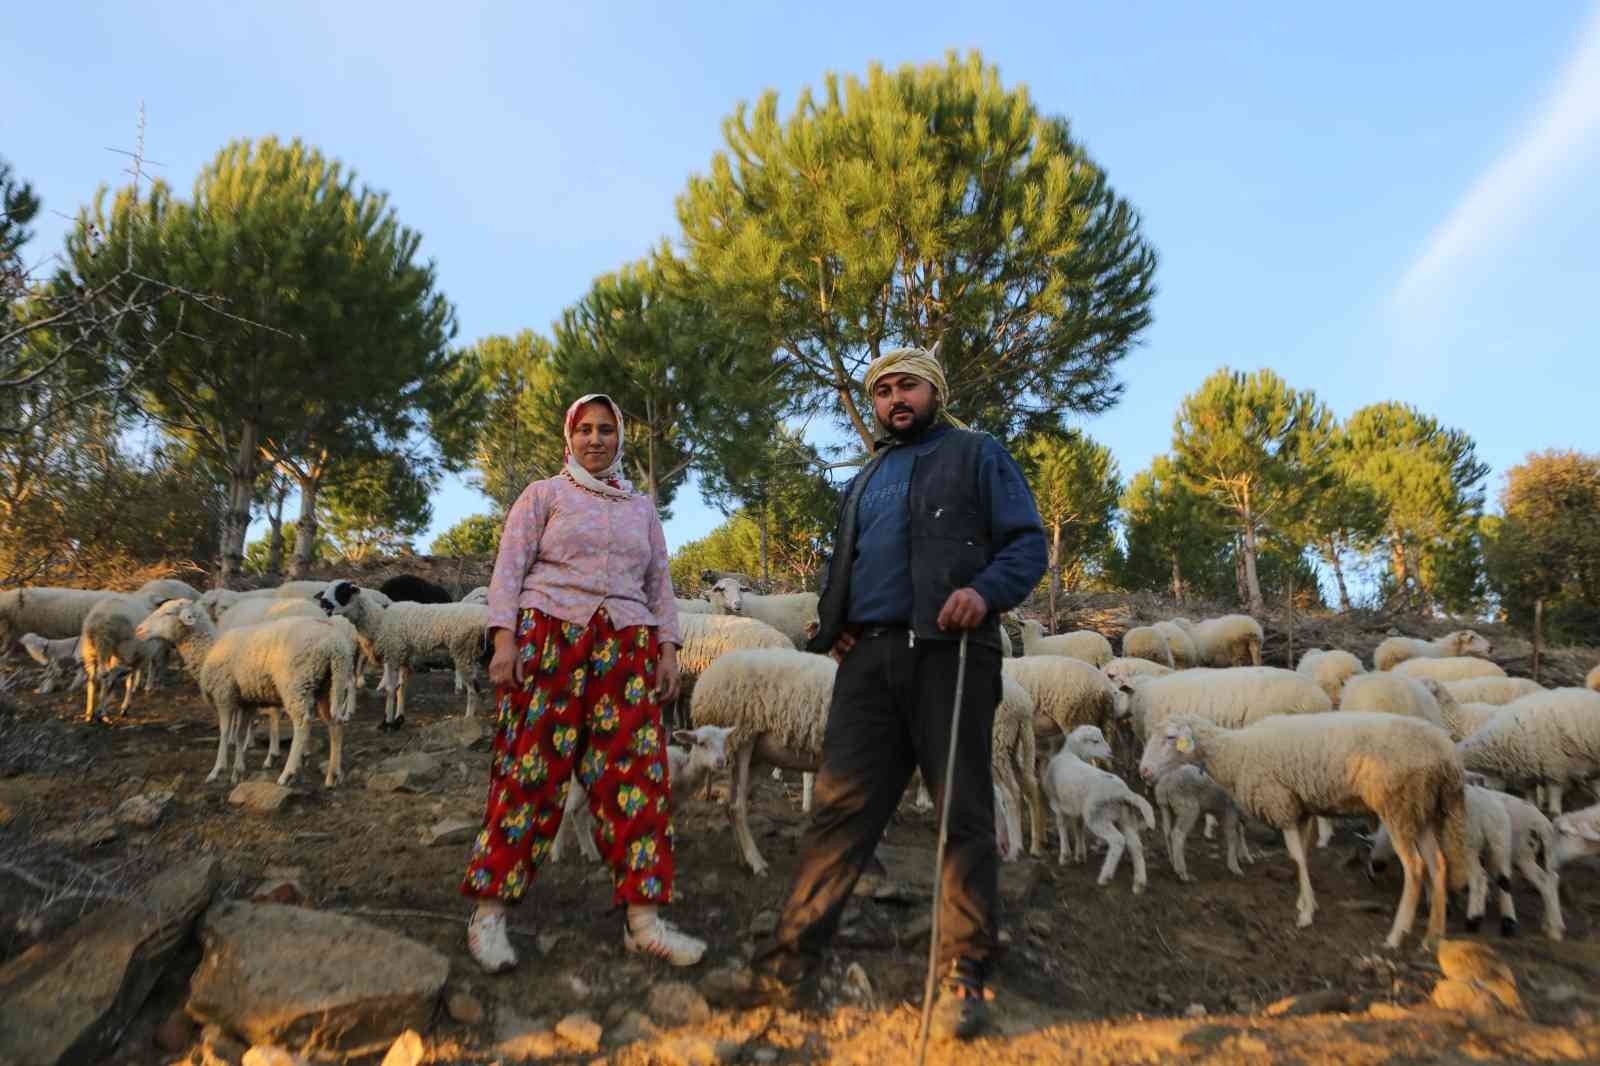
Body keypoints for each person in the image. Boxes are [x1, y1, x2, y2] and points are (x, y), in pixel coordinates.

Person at [749, 347, 1048, 1040]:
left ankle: (964, 971)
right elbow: (846, 559)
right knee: (837, 810)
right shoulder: (867, 476)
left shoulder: (977, 454)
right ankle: (791, 959)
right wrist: (838, 625)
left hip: (952, 654)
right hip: (869, 663)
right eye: (881, 390)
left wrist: (983, 591)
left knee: (961, 814)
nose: (893, 399)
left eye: (906, 385)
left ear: (933, 391)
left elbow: (1027, 545)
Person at [460, 393, 707, 973]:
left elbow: (658, 584)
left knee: (637, 776)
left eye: (606, 430)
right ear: (569, 436)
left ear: (621, 438)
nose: (595, 440)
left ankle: (644, 922)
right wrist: (503, 640)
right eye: (585, 430)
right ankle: (489, 915)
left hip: (625, 647)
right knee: (530, 774)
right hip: (549, 640)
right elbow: (510, 568)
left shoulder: (641, 508)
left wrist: (667, 649)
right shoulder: (543, 495)